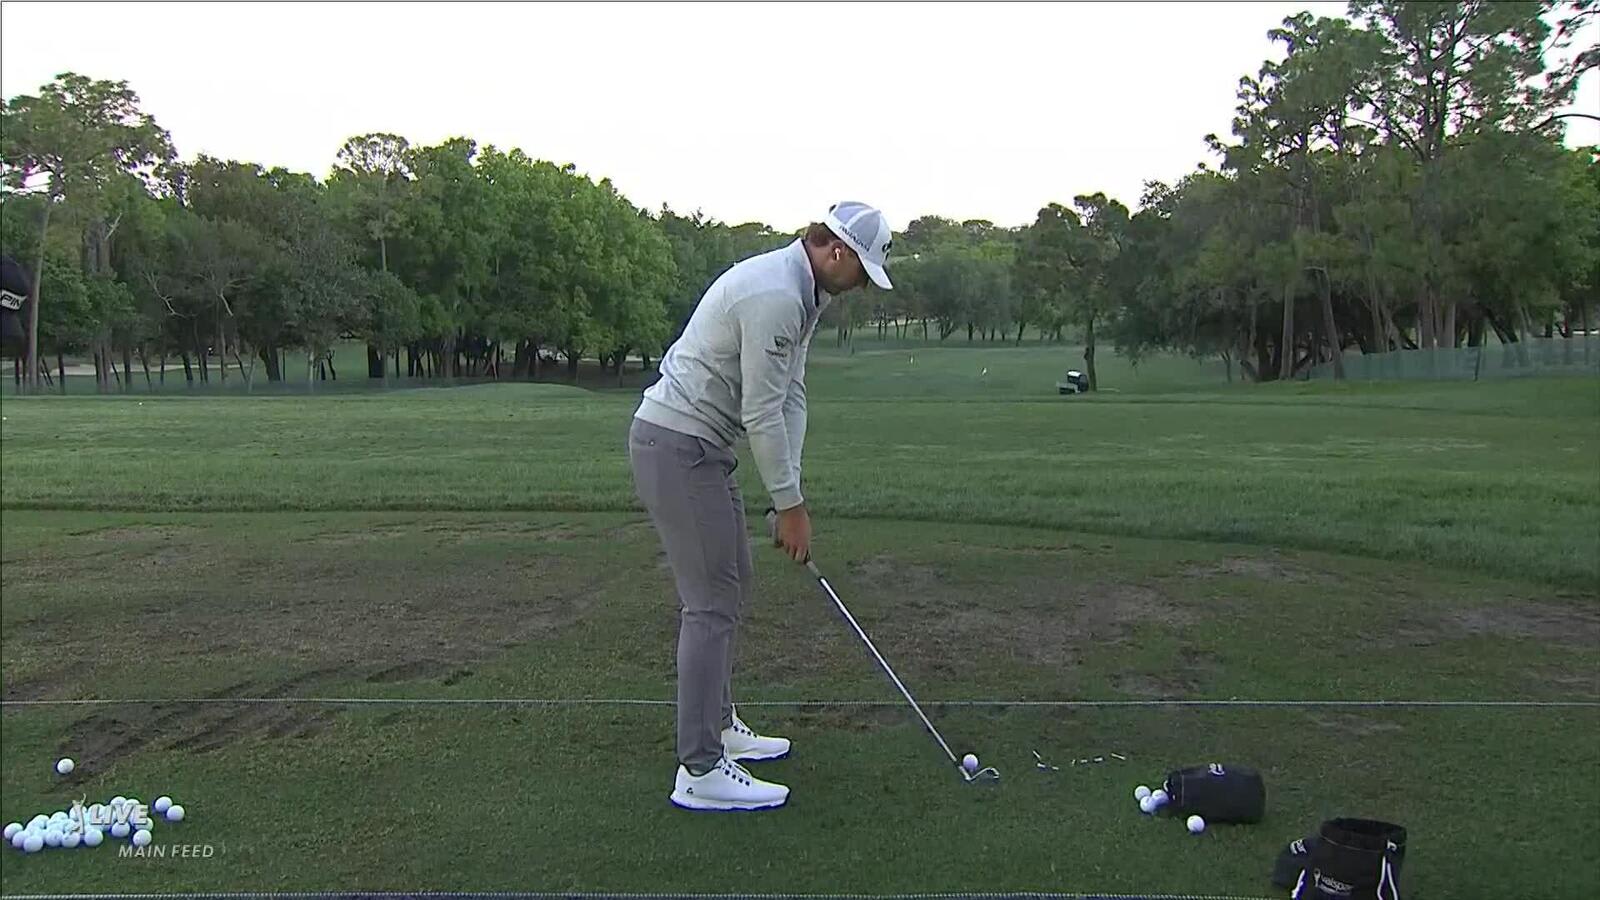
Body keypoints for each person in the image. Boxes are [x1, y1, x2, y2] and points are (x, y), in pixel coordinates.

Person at [628, 201, 894, 811]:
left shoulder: (804, 294)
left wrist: (789, 494)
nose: (860, 287)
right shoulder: (777, 294)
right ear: (837, 253)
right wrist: (790, 505)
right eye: (862, 272)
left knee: (733, 582)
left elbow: (790, 395)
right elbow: (761, 412)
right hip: (676, 446)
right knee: (710, 603)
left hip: (701, 448)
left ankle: (719, 728)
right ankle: (699, 769)